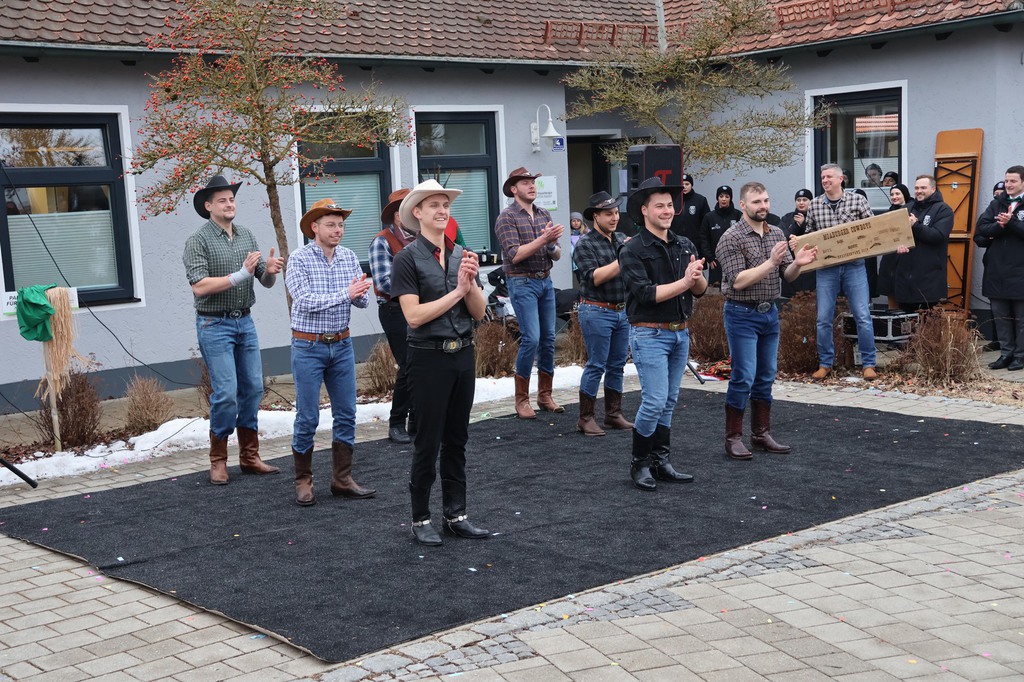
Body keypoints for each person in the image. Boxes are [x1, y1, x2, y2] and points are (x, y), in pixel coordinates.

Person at [391, 179, 490, 546]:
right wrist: (458, 291)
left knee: (457, 438)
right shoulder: (406, 258)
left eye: (445, 204)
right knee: (427, 441)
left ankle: (456, 514)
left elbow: (478, 312)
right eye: (434, 204)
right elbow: (414, 316)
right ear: (417, 213)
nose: (442, 210)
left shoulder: (462, 254)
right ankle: (420, 518)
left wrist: (471, 284)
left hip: (462, 353)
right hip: (428, 357)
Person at [183, 175, 284, 485]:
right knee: (226, 393)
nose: (229, 204)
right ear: (208, 206)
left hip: (245, 322)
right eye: (222, 200)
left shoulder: (246, 235)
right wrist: (240, 274)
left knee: (253, 388)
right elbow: (199, 286)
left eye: (231, 199)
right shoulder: (198, 240)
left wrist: (270, 271)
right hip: (214, 324)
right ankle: (218, 459)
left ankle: (250, 456)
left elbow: (264, 281)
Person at [716, 182, 817, 460]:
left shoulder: (776, 233)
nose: (763, 206)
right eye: (756, 202)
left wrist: (799, 263)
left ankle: (761, 434)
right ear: (743, 205)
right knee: (743, 376)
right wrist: (771, 262)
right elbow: (738, 281)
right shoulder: (731, 237)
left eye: (766, 200)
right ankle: (733, 438)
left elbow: (788, 275)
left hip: (770, 313)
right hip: (741, 314)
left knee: (766, 375)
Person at [285, 198, 376, 506]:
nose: (338, 230)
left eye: (340, 225)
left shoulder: (348, 256)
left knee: (347, 412)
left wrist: (360, 293)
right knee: (308, 416)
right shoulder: (298, 259)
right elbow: (304, 301)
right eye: (331, 225)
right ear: (314, 227)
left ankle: (342, 479)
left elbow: (360, 302)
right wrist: (346, 293)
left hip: (341, 343)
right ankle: (303, 480)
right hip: (307, 345)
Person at [619, 177, 706, 491]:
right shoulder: (631, 249)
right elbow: (645, 294)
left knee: (668, 401)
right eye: (660, 206)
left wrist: (695, 277)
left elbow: (700, 290)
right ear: (645, 211)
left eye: (670, 205)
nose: (667, 210)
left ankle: (660, 461)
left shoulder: (685, 244)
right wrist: (685, 282)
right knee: (655, 400)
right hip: (649, 334)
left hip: (680, 333)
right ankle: (639, 463)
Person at [494, 167, 565, 419]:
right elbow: (515, 255)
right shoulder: (506, 218)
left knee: (548, 339)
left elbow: (556, 254)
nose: (532, 186)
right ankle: (521, 399)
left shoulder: (543, 213)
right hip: (521, 282)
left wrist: (552, 244)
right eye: (526, 183)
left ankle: (545, 395)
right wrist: (544, 240)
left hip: (545, 280)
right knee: (532, 339)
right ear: (514, 189)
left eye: (533, 182)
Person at [802, 164, 878, 380]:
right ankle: (825, 364)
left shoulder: (858, 200)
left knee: (862, 316)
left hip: (854, 266)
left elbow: (873, 228)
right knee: (823, 318)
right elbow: (809, 234)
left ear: (841, 179)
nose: (825, 180)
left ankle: (869, 364)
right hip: (826, 269)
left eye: (829, 177)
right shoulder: (815, 205)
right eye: (822, 177)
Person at [572, 192, 633, 436]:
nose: (615, 217)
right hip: (596, 310)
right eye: (609, 214)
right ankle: (585, 418)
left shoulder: (621, 239)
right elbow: (594, 277)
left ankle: (613, 414)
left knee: (617, 365)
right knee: (596, 365)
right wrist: (625, 256)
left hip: (621, 310)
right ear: (595, 216)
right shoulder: (584, 244)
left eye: (616, 212)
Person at [369, 188, 417, 444]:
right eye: (411, 210)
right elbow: (384, 283)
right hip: (394, 309)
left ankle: (417, 420)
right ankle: (397, 422)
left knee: (422, 363)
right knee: (408, 364)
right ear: (398, 216)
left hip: (421, 307)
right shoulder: (382, 241)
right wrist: (422, 287)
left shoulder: (423, 238)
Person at [975, 165, 1024, 372]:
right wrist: (1000, 226)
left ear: (1023, 182)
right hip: (997, 271)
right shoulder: (997, 203)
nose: (1008, 185)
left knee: (1021, 319)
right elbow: (981, 230)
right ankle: (1006, 354)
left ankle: (1020, 356)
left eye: (1013, 181)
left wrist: (1011, 223)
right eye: (1006, 181)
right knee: (1001, 317)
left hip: (1020, 271)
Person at [891, 175, 954, 311]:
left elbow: (938, 236)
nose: (919, 191)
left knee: (927, 321)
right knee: (906, 321)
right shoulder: (906, 208)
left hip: (930, 281)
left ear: (933, 189)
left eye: (923, 188)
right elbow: (894, 235)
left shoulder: (943, 209)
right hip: (905, 280)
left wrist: (916, 225)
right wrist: (897, 246)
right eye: (916, 188)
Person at [877, 184, 913, 309]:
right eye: (892, 194)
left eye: (897, 194)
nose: (894, 197)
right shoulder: (888, 213)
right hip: (891, 258)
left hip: (908, 257)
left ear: (905, 195)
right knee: (891, 291)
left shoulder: (913, 211)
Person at [699, 185, 742, 287]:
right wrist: (709, 258)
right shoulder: (709, 217)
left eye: (727, 196)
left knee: (734, 286)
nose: (724, 199)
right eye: (721, 196)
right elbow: (704, 238)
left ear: (730, 198)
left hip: (734, 261)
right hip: (715, 262)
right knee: (715, 290)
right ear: (717, 198)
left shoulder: (738, 215)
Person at [779, 189, 816, 297]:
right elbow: (781, 235)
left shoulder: (815, 217)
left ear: (811, 201)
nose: (801, 202)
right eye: (798, 200)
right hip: (791, 265)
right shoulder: (787, 218)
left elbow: (817, 237)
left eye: (805, 200)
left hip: (811, 268)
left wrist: (804, 225)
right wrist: (796, 227)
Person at [671, 173, 710, 256]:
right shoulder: (673, 200)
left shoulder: (700, 200)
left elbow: (706, 224)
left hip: (695, 244)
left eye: (687, 184)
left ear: (691, 185)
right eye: (682, 184)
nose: (684, 186)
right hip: (675, 243)